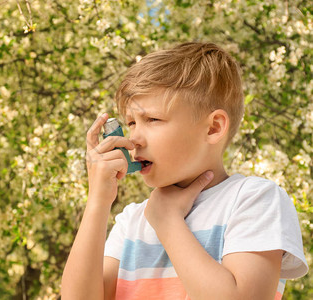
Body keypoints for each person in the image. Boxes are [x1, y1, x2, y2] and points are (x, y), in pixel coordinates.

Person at [61, 42, 308, 299]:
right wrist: (98, 202)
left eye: (152, 119)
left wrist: (168, 222)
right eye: (132, 123)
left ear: (213, 128)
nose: (134, 140)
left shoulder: (255, 200)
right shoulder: (132, 222)